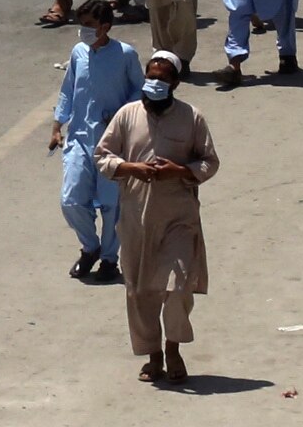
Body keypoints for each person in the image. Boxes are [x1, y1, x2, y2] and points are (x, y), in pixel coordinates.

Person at [98, 48, 220, 387]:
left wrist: (179, 171)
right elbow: (103, 156)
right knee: (139, 291)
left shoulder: (191, 117)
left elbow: (210, 162)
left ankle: (173, 347)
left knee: (179, 286)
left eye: (162, 79)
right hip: (136, 218)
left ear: (175, 83)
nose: (154, 84)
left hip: (179, 217)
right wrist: (129, 167)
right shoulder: (127, 115)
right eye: (150, 77)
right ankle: (152, 355)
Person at [52, 0, 141, 279]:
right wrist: (57, 125)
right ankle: (90, 246)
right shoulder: (78, 52)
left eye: (90, 25)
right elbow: (68, 89)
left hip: (113, 141)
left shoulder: (125, 54)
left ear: (105, 27)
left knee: (112, 203)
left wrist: (120, 114)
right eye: (82, 25)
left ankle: (108, 259)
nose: (84, 30)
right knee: (71, 199)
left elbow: (139, 90)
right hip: (79, 136)